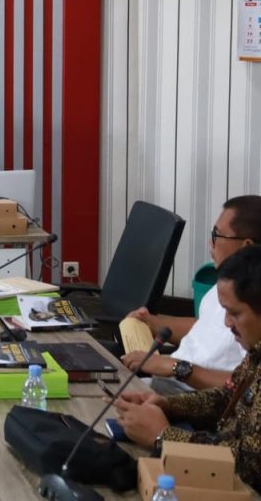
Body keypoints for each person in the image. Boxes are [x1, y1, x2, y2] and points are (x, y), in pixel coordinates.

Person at [115, 245, 261, 494]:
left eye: (234, 313)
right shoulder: (255, 352)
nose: (227, 323)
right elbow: (227, 396)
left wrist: (163, 436)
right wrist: (167, 405)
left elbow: (249, 465)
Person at [122, 196, 261, 393]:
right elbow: (206, 326)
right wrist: (154, 323)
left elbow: (250, 387)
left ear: (246, 246)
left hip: (193, 400)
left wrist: (177, 368)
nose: (210, 243)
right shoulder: (227, 284)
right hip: (167, 387)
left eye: (217, 235)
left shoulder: (252, 308)